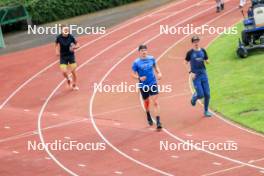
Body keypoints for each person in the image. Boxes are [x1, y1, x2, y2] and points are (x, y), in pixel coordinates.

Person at [131, 44, 163, 129]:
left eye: (145, 50)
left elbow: (156, 67)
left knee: (155, 102)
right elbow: (132, 74)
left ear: (147, 51)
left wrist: (159, 73)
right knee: (146, 102)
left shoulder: (151, 58)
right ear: (139, 52)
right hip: (143, 85)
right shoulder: (136, 62)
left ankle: (158, 122)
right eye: (142, 51)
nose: (144, 52)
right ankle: (148, 114)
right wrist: (139, 77)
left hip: (152, 83)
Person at [185, 36, 212, 117]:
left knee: (207, 94)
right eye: (194, 42)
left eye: (197, 41)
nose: (196, 43)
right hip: (196, 76)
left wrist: (207, 61)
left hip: (203, 74)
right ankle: (194, 98)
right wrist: (190, 72)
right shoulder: (190, 53)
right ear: (192, 43)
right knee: (200, 94)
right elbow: (185, 62)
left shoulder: (203, 50)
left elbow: (207, 60)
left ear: (199, 42)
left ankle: (206, 111)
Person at [55, 24, 80, 90]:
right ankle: (68, 78)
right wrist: (57, 51)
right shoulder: (58, 37)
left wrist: (75, 47)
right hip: (63, 56)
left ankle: (74, 85)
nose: (67, 30)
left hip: (71, 56)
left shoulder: (71, 37)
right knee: (63, 71)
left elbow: (78, 44)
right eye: (65, 30)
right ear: (62, 31)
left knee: (73, 72)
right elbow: (56, 45)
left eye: (67, 29)